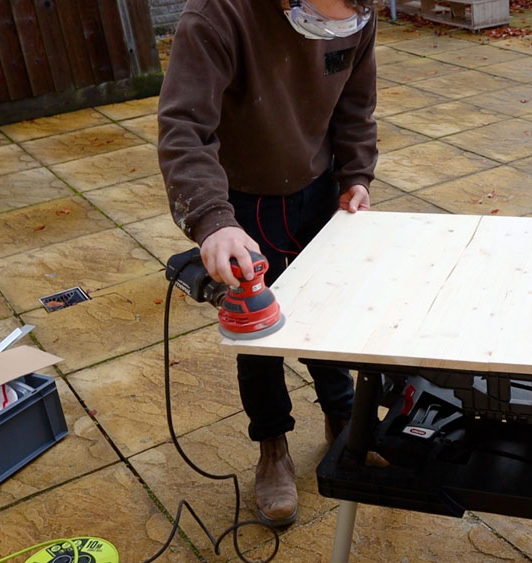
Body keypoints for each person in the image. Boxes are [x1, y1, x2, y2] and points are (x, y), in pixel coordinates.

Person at [157, 0, 383, 528]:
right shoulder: (217, 16)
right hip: (242, 202)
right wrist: (213, 220)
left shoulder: (357, 11)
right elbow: (184, 128)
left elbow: (356, 101)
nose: (336, 29)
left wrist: (356, 175)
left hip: (320, 187)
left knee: (326, 310)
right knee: (258, 333)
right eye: (326, 15)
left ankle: (343, 415)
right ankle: (273, 445)